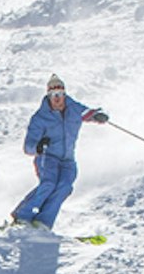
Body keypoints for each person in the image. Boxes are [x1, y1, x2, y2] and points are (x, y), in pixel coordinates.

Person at [12, 75, 110, 230]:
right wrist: (38, 146)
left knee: (64, 186)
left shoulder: (73, 108)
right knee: (49, 184)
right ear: (48, 96)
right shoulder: (40, 117)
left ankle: (43, 221)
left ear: (64, 94)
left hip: (68, 160)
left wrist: (98, 115)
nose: (56, 99)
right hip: (47, 158)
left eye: (59, 94)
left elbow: (88, 113)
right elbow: (28, 146)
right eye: (52, 95)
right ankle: (22, 216)